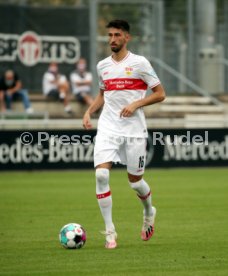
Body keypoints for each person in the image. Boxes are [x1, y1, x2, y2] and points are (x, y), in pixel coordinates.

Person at [83, 19, 166, 249]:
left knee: (135, 182)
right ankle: (110, 233)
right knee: (101, 176)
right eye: (109, 35)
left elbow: (160, 94)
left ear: (126, 38)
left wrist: (136, 104)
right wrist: (89, 111)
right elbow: (102, 94)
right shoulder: (102, 66)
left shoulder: (140, 63)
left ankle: (149, 211)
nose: (112, 39)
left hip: (134, 130)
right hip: (108, 127)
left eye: (117, 35)